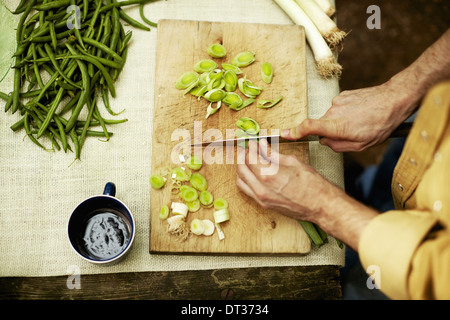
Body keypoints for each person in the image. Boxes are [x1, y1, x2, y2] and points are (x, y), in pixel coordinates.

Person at [236, 29, 450, 300]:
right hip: (438, 123)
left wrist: (325, 206)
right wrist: (401, 92)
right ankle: (366, 193)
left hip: (407, 278)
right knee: (385, 179)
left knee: (356, 285)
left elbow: (435, 278)